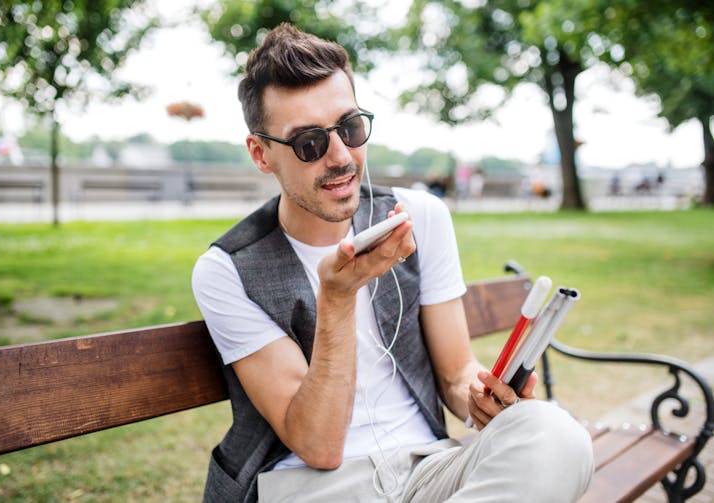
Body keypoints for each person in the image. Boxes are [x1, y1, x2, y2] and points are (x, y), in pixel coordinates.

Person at [192, 23, 593, 503]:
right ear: (261, 154)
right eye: (309, 144)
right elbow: (317, 445)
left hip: (429, 469)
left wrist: (484, 401)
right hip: (313, 488)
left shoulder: (418, 216)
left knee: (555, 433)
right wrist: (337, 297)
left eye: (350, 127)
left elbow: (455, 374)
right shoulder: (228, 270)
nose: (342, 157)